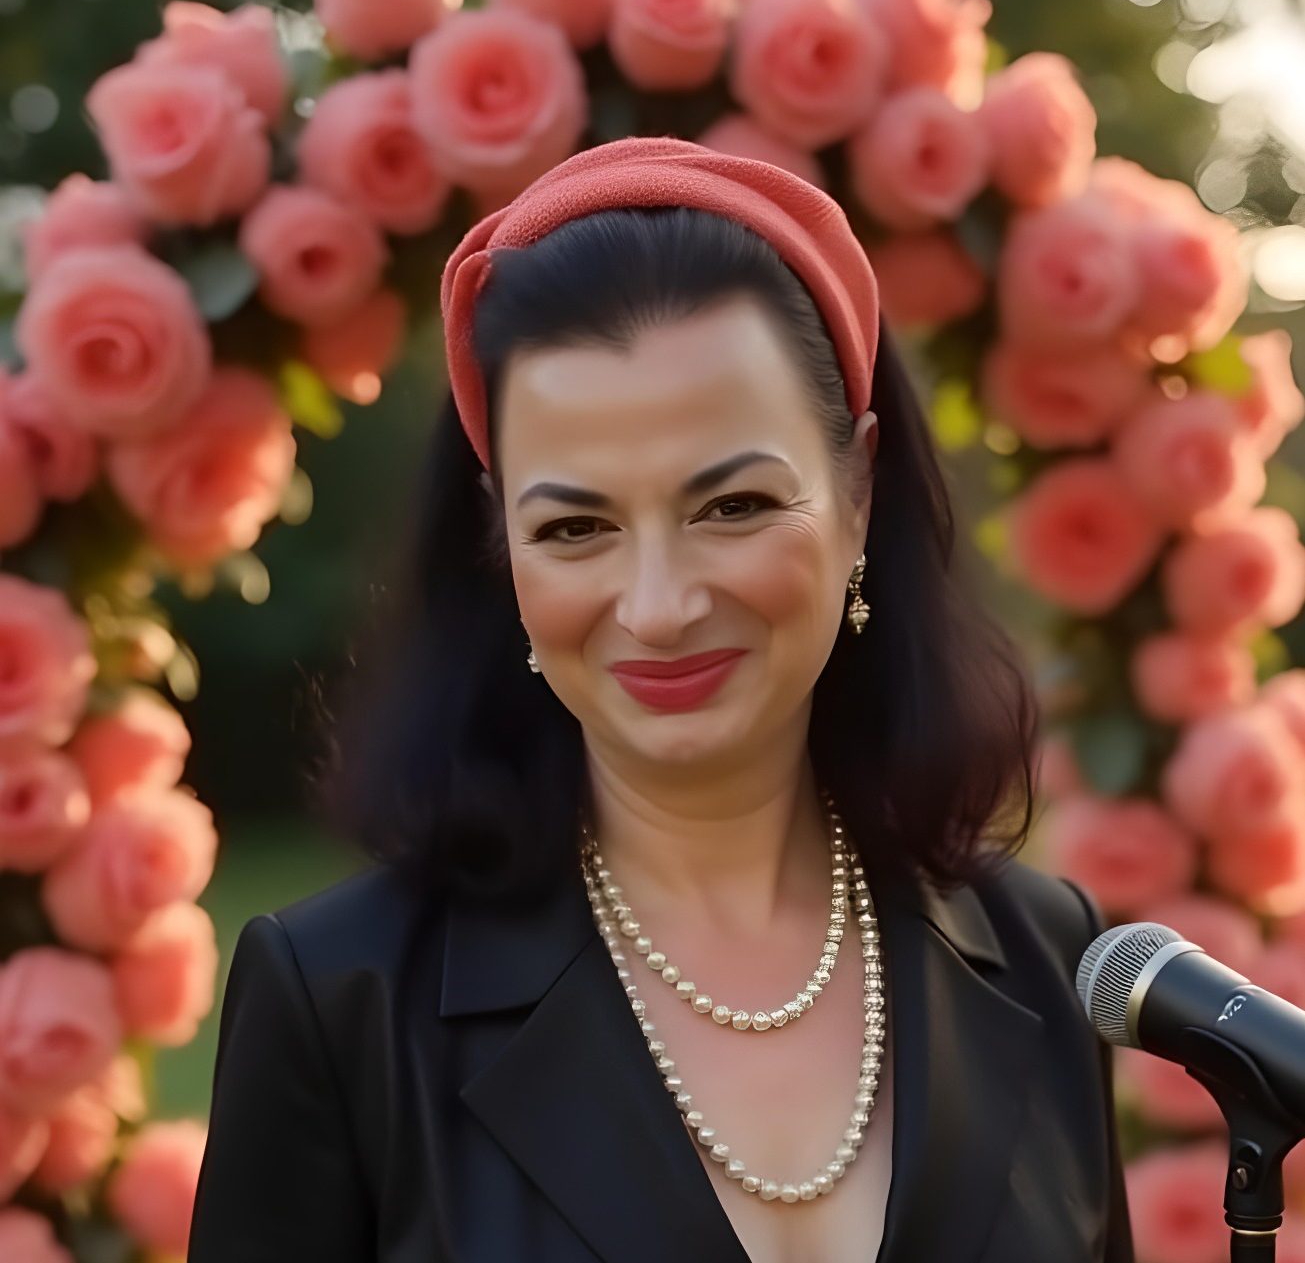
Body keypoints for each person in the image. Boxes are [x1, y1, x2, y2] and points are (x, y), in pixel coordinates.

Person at [186, 137, 1134, 1263]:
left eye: (732, 507)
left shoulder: (1051, 954)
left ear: (858, 491)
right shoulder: (340, 1002)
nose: (658, 606)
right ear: (498, 545)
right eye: (574, 527)